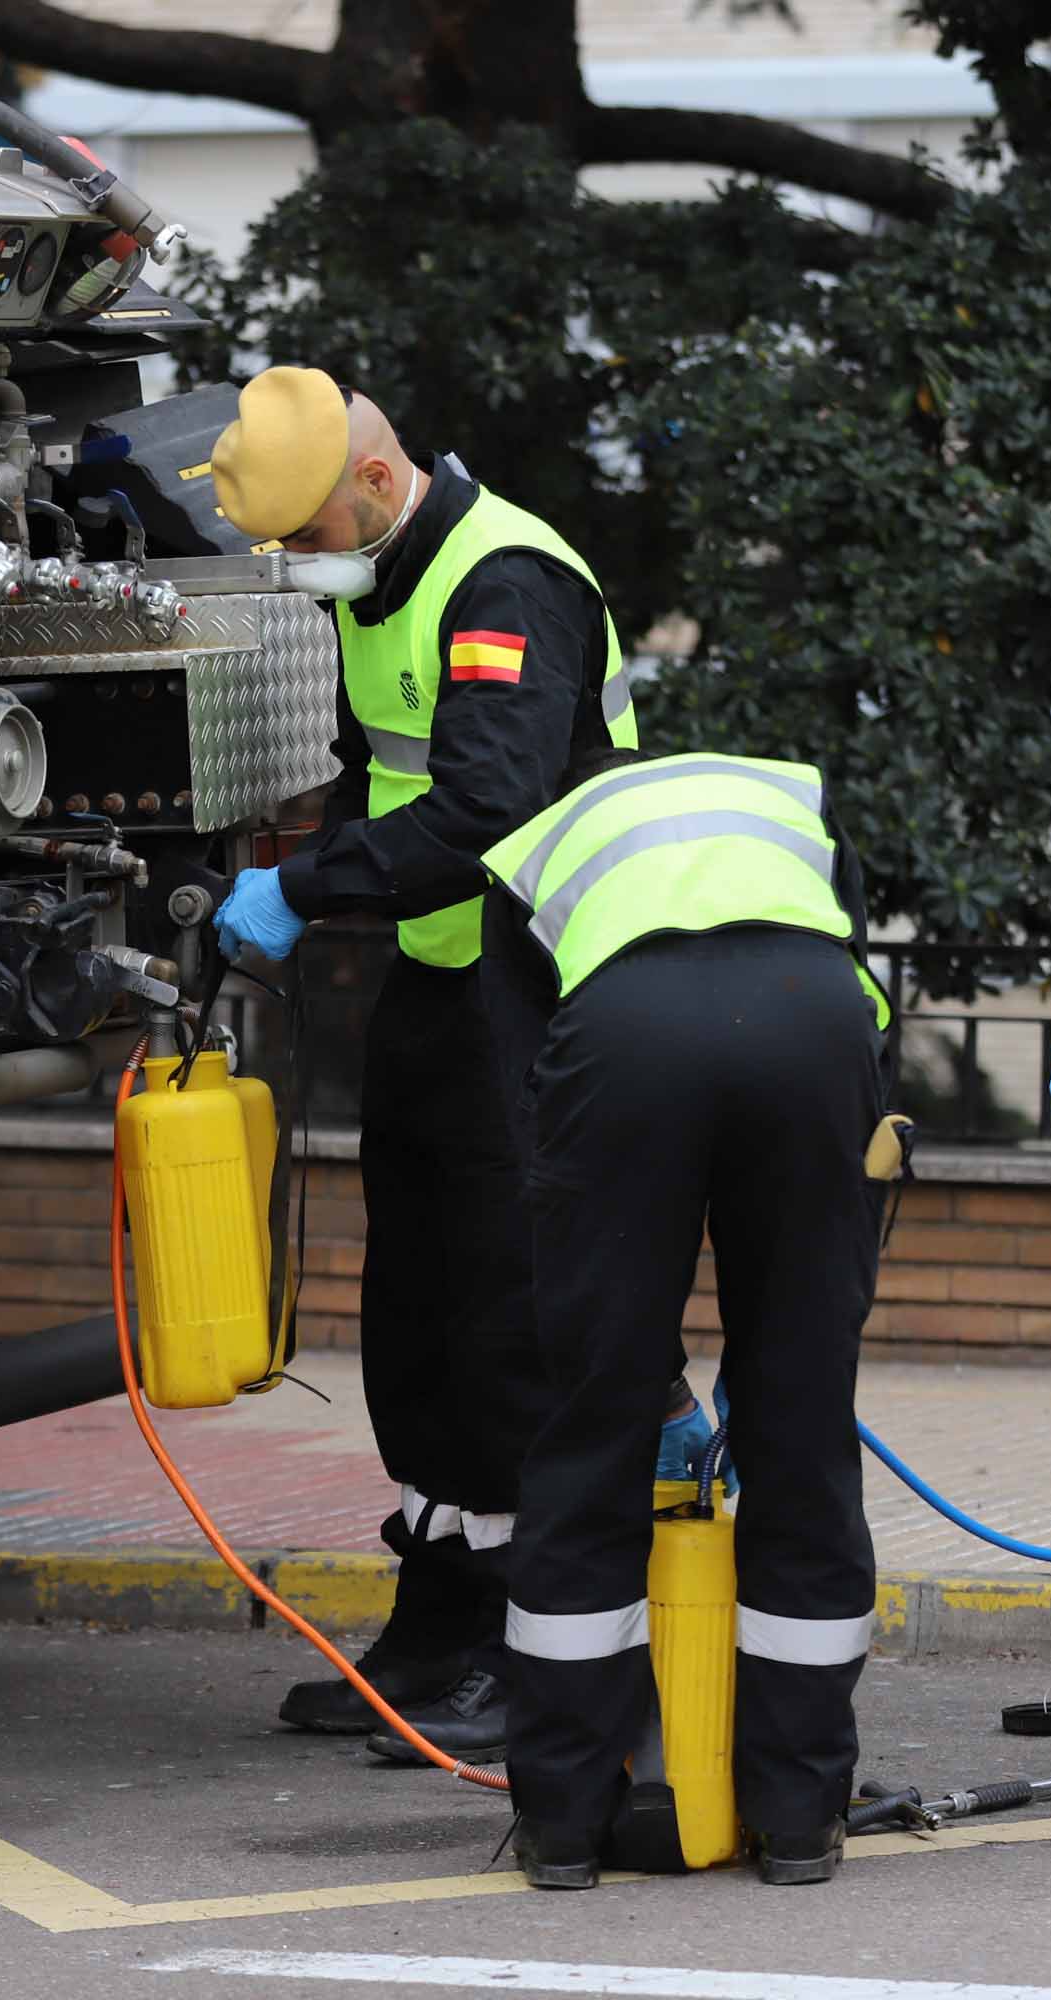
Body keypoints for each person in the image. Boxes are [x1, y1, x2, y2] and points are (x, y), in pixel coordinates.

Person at [204, 367, 654, 1763]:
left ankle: (538, 1643)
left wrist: (305, 886)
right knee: (418, 1319)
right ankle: (442, 1622)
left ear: (378, 480)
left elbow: (482, 810)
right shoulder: (385, 581)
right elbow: (377, 772)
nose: (302, 564)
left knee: (514, 1325)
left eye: (308, 536)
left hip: (540, 988)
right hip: (443, 984)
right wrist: (297, 865)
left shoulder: (504, 580)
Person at [477, 749, 892, 1890]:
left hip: (625, 1040)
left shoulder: (532, 851)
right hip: (813, 1025)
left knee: (590, 1428)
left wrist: (637, 1368)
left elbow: (532, 1110)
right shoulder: (790, 796)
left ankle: (565, 1822)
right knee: (803, 1423)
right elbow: (866, 1008)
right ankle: (798, 1813)